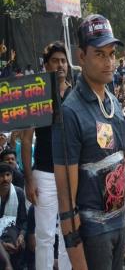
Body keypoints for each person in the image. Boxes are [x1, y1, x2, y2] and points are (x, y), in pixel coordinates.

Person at [52, 14, 125, 270]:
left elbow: (122, 167)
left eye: (112, 54)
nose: (109, 62)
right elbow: (66, 200)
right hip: (92, 234)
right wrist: (79, 264)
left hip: (119, 224)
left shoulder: (115, 104)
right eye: (99, 54)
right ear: (81, 56)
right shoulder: (70, 113)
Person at [21, 41, 72, 270]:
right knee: (44, 236)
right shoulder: (38, 97)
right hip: (44, 174)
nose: (60, 65)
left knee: (68, 234)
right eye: (55, 61)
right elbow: (25, 139)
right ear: (46, 65)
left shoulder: (76, 95)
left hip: (71, 177)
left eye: (63, 61)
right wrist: (29, 179)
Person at [0, 162, 27, 270]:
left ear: (12, 176)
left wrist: (21, 236)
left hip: (11, 232)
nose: (5, 179)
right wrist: (2, 244)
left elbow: (23, 220)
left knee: (15, 239)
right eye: (1, 176)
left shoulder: (19, 193)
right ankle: (8, 265)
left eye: (8, 175)